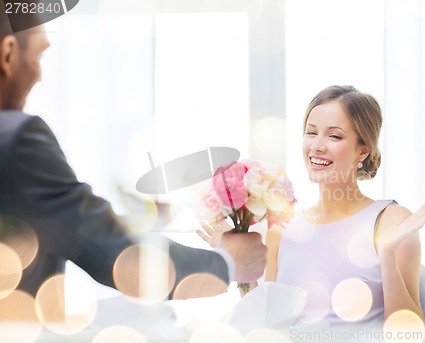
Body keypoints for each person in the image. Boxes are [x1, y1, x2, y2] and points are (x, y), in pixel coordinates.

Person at [0, 14, 266, 300]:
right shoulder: (18, 138)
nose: (40, 74)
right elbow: (116, 254)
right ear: (9, 53)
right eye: (39, 54)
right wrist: (228, 264)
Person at [199, 85, 425, 331]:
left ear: (363, 150)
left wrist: (387, 253)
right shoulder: (282, 228)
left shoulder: (389, 220)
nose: (316, 146)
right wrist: (240, 264)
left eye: (334, 136)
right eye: (311, 133)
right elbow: (266, 325)